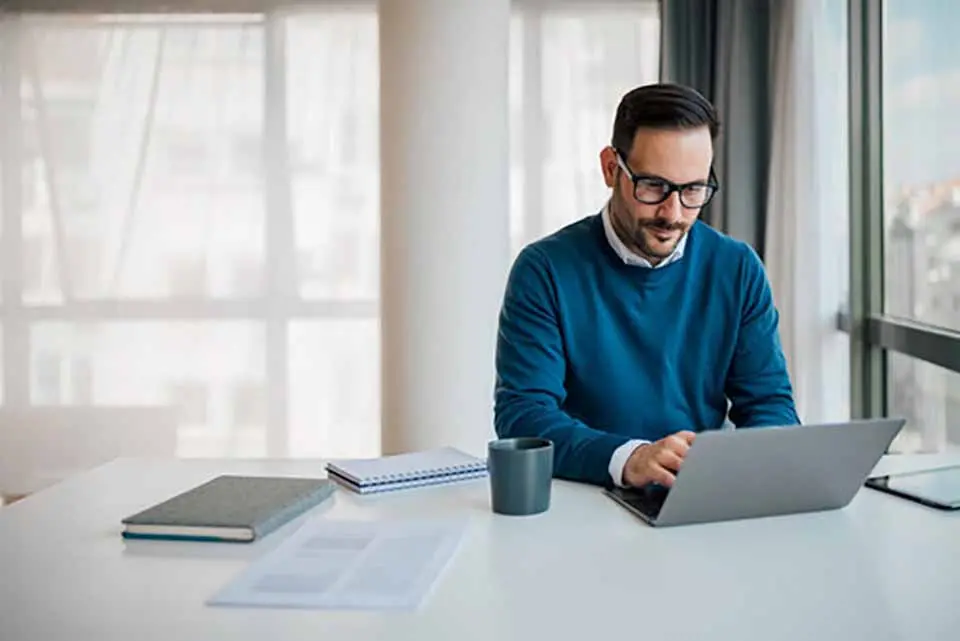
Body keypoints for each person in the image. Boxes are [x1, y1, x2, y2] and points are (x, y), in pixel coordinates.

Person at [493, 83, 799, 490]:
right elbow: (523, 416)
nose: (672, 213)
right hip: (582, 498)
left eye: (693, 190)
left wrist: (746, 468)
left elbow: (770, 405)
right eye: (653, 186)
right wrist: (629, 458)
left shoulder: (738, 269)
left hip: (694, 496)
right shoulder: (544, 270)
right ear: (610, 168)